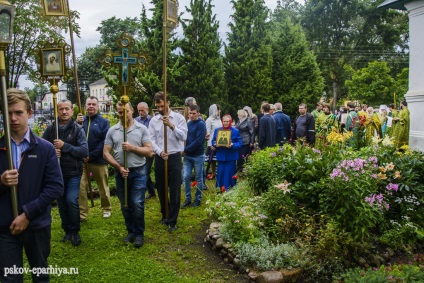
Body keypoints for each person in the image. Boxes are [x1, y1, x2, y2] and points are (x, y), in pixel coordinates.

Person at [0, 89, 64, 283]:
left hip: (36, 225)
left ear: (29, 113)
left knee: (40, 274)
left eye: (18, 112)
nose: (13, 118)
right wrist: (1, 182)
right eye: (7, 112)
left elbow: (55, 187)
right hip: (5, 227)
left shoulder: (43, 148)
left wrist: (27, 214)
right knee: (10, 278)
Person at [103, 102, 153, 248]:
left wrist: (132, 148)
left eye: (125, 111)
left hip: (138, 171)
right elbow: (106, 152)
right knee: (125, 204)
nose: (123, 115)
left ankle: (139, 233)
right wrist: (118, 167)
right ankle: (130, 230)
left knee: (137, 203)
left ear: (132, 110)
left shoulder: (141, 128)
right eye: (119, 112)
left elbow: (149, 151)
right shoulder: (113, 130)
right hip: (121, 173)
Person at [43, 99, 88, 246]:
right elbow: (41, 148)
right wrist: (52, 150)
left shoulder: (77, 129)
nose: (64, 112)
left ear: (72, 110)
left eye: (67, 109)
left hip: (73, 172)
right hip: (57, 173)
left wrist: (65, 146)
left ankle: (75, 231)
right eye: (61, 109)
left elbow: (84, 151)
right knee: (61, 203)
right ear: (57, 110)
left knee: (71, 200)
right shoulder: (51, 129)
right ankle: (67, 230)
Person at [149, 91, 187, 233]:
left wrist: (171, 126)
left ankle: (172, 220)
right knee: (161, 188)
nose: (160, 109)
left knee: (175, 189)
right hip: (160, 157)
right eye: (157, 106)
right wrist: (159, 152)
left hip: (174, 157)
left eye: (162, 106)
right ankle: (165, 214)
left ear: (168, 103)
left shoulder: (178, 118)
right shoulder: (154, 120)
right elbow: (151, 139)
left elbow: (183, 136)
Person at [77, 96, 112, 220]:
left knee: (103, 185)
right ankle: (82, 213)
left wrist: (91, 155)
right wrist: (76, 123)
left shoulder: (103, 122)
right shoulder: (81, 121)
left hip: (98, 160)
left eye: (93, 104)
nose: (91, 106)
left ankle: (106, 208)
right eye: (89, 104)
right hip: (82, 161)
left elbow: (105, 141)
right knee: (81, 187)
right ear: (85, 106)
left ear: (97, 106)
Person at [181, 105, 207, 208]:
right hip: (188, 156)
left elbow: (198, 141)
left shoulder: (201, 124)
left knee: (198, 178)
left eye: (194, 113)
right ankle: (188, 198)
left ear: (198, 113)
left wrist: (185, 150)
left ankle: (198, 199)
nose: (191, 115)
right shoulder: (188, 123)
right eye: (190, 113)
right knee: (185, 176)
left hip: (198, 155)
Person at [211, 115, 242, 191]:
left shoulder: (235, 131)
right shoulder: (217, 130)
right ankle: (220, 189)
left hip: (231, 156)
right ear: (222, 122)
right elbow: (213, 140)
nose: (225, 123)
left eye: (227, 121)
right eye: (224, 121)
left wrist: (232, 145)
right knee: (221, 173)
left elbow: (240, 143)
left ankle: (230, 189)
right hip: (221, 156)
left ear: (230, 122)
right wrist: (214, 144)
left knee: (229, 173)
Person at [135, 102, 156, 199]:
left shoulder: (153, 120)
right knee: (143, 172)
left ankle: (144, 193)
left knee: (145, 171)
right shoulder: (136, 120)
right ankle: (151, 191)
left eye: (142, 110)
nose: (140, 112)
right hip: (139, 149)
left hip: (150, 149)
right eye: (139, 110)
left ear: (147, 109)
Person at [205, 104, 222, 179]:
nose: (220, 111)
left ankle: (218, 173)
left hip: (220, 141)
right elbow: (207, 132)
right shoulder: (209, 120)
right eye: (218, 110)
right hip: (212, 142)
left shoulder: (219, 119)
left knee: (218, 158)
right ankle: (212, 173)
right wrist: (210, 143)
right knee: (212, 160)